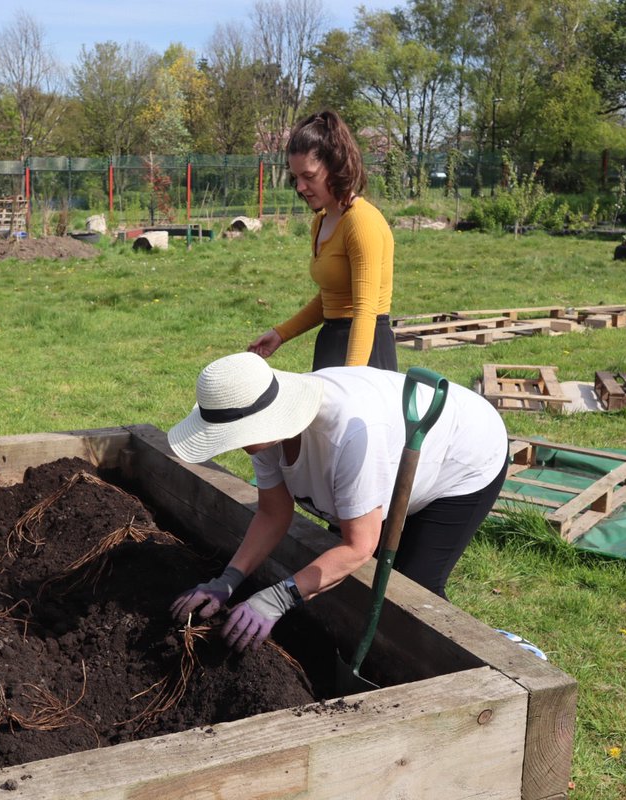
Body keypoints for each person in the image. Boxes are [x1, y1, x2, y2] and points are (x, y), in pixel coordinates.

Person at [167, 352, 508, 653]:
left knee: (415, 593)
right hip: (385, 455)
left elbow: (358, 546)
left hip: (462, 456)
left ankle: (487, 660)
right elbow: (273, 514)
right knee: (350, 585)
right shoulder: (264, 431)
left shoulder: (348, 434)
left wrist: (278, 597)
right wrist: (228, 580)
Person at [248, 110, 396, 371]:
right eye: (296, 178)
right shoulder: (320, 222)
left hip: (366, 351)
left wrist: (351, 378)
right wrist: (281, 333)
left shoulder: (362, 222)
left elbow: (365, 310)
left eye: (309, 176)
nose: (300, 187)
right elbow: (330, 298)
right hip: (331, 344)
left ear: (336, 167)